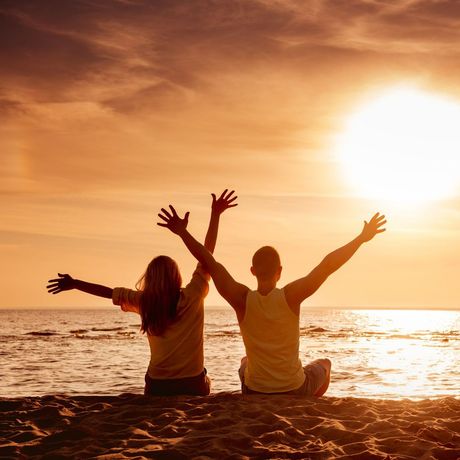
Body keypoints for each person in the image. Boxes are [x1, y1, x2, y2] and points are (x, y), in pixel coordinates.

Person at [158, 206, 386, 396]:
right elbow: (327, 265)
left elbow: (208, 261)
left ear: (252, 271)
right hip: (294, 389)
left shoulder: (241, 299)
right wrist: (361, 239)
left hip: (254, 391)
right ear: (280, 271)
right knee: (324, 364)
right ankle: (308, 404)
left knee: (245, 361)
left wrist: (183, 233)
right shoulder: (291, 296)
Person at [46, 190, 238, 396]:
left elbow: (107, 292)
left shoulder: (145, 302)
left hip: (157, 386)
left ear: (151, 279)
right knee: (208, 380)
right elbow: (206, 256)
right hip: (191, 385)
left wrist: (75, 283)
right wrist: (213, 216)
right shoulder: (193, 294)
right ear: (177, 277)